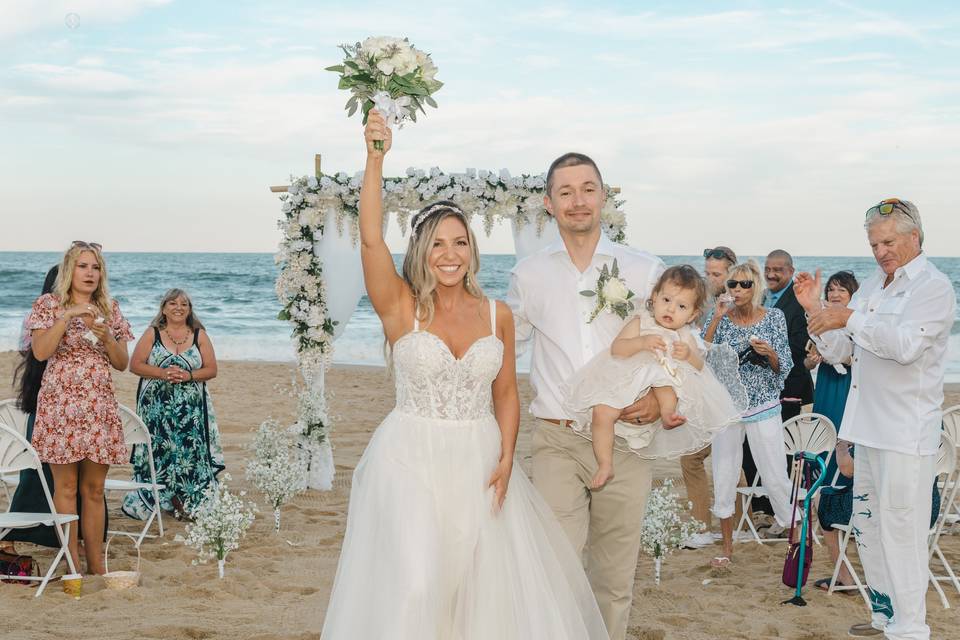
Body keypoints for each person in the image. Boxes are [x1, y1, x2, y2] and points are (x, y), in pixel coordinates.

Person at [321, 111, 608, 639]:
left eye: (459, 242)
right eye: (437, 243)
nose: (449, 254)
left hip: (478, 461)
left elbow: (506, 395)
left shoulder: (498, 314)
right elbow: (368, 242)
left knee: (472, 588)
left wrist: (504, 457)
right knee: (414, 582)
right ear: (421, 252)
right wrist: (375, 157)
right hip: (408, 454)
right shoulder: (400, 308)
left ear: (471, 250)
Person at [507, 151, 665, 640]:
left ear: (604, 196)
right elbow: (502, 346)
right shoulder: (528, 275)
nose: (578, 201)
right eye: (566, 191)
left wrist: (661, 401)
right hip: (555, 437)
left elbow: (678, 343)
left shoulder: (643, 269)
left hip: (627, 440)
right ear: (549, 204)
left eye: (588, 189)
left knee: (614, 579)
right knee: (554, 568)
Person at [795, 198, 955, 640]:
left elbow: (904, 346)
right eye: (873, 244)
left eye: (887, 241)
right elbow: (842, 353)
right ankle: (884, 616)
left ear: (914, 237)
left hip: (906, 433)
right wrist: (814, 310)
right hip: (866, 429)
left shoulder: (933, 287)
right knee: (869, 525)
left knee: (902, 530)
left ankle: (911, 628)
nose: (880, 251)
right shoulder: (871, 287)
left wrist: (851, 317)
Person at [563, 265, 745, 489]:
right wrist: (641, 342)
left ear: (693, 314)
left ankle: (668, 415)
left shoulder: (683, 335)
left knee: (665, 384)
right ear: (655, 297)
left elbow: (700, 367)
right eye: (666, 300)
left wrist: (688, 354)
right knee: (602, 413)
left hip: (660, 382)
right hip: (625, 381)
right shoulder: (641, 322)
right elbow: (617, 349)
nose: (670, 309)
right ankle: (605, 463)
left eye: (681, 306)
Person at [27, 242, 133, 574]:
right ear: (70, 270)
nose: (90, 273)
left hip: (98, 405)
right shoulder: (48, 304)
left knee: (94, 488)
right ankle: (71, 562)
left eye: (96, 267)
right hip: (60, 405)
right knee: (67, 488)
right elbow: (41, 352)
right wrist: (67, 316)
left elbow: (121, 363)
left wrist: (106, 338)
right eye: (84, 266)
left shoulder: (110, 308)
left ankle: (97, 564)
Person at [6, 265, 109, 551]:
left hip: (83, 404)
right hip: (50, 399)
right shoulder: (41, 314)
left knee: (86, 485)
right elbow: (34, 352)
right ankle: (30, 534)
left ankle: (79, 541)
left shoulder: (94, 312)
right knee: (38, 476)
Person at [702, 260, 795, 568]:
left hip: (765, 404)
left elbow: (785, 366)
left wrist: (770, 355)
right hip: (727, 407)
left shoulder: (774, 317)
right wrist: (716, 316)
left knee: (775, 476)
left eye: (745, 284)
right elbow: (702, 351)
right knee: (724, 476)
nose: (738, 290)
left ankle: (796, 542)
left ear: (756, 288)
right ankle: (727, 548)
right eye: (733, 284)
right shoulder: (722, 319)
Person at [122, 289, 224, 519]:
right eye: (173, 303)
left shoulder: (199, 335)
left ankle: (188, 500)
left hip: (192, 410)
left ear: (190, 309)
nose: (179, 307)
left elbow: (211, 369)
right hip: (156, 408)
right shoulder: (152, 334)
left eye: (184, 304)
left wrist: (188, 376)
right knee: (160, 450)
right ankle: (161, 499)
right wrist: (162, 373)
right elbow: (135, 365)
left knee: (190, 451)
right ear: (164, 308)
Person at [679, 246, 739, 548]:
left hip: (726, 396)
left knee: (700, 458)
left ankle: (708, 527)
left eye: (716, 273)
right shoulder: (704, 302)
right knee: (720, 459)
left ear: (731, 272)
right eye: (708, 272)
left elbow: (714, 349)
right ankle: (730, 524)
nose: (710, 278)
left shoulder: (735, 304)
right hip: (705, 392)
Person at [803, 270, 859, 590]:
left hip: (846, 400)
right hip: (825, 395)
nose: (836, 294)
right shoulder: (823, 321)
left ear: (853, 296)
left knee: (836, 482)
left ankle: (844, 571)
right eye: (832, 289)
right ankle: (841, 569)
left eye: (843, 290)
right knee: (824, 472)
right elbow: (817, 357)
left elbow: (843, 354)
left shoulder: (855, 325)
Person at [764, 250, 813, 421]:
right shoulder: (760, 297)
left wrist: (764, 351)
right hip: (763, 390)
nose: (770, 275)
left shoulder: (800, 299)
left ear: (791, 271)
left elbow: (801, 344)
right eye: (767, 269)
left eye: (777, 270)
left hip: (792, 389)